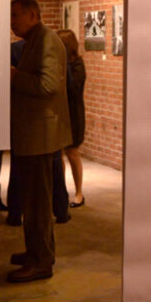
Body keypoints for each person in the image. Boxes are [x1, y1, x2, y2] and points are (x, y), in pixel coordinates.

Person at [8, 0, 71, 283]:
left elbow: (48, 85)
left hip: (40, 134)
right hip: (32, 132)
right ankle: (37, 252)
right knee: (33, 200)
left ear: (33, 15)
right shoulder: (35, 39)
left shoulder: (46, 40)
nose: (12, 21)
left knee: (37, 203)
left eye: (16, 16)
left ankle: (41, 262)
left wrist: (14, 76)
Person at [57, 28, 86, 207]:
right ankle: (60, 191)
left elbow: (73, 90)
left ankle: (79, 193)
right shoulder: (59, 65)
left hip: (74, 115)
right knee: (58, 154)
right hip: (60, 114)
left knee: (72, 152)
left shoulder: (77, 66)